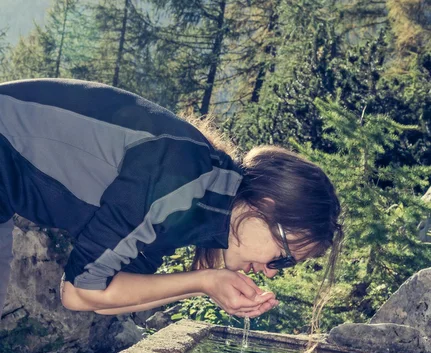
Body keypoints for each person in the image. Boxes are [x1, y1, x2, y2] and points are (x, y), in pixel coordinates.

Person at [0, 78, 342, 322]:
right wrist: (204, 281)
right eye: (282, 257)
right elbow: (79, 291)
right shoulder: (179, 178)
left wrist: (206, 286)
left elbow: (99, 300)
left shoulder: (193, 206)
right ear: (265, 205)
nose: (270, 272)